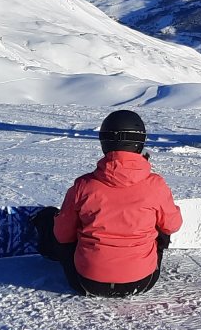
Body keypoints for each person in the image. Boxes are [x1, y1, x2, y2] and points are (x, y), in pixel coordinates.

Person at [33, 110, 183, 297]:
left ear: (104, 142)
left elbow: (63, 236)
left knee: (55, 222)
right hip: (143, 281)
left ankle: (42, 232)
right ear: (140, 142)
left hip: (86, 282)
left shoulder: (84, 185)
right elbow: (173, 226)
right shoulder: (156, 185)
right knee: (162, 227)